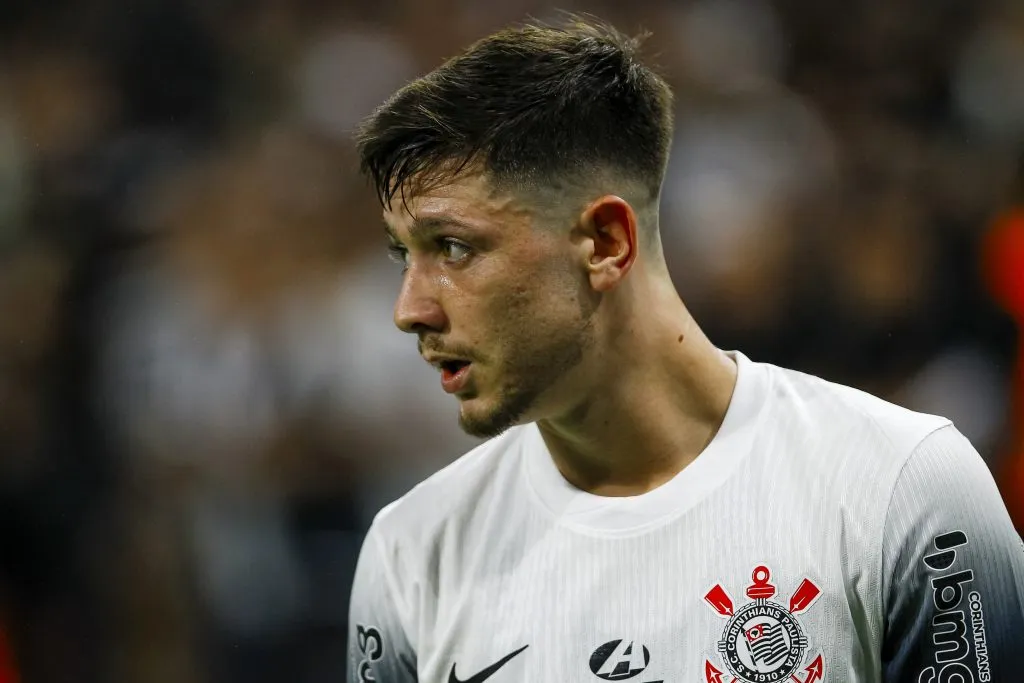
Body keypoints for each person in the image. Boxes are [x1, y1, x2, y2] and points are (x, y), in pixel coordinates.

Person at [347, 16, 1024, 683]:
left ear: (606, 242)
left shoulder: (905, 493)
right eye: (403, 255)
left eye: (454, 248)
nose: (410, 309)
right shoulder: (411, 555)